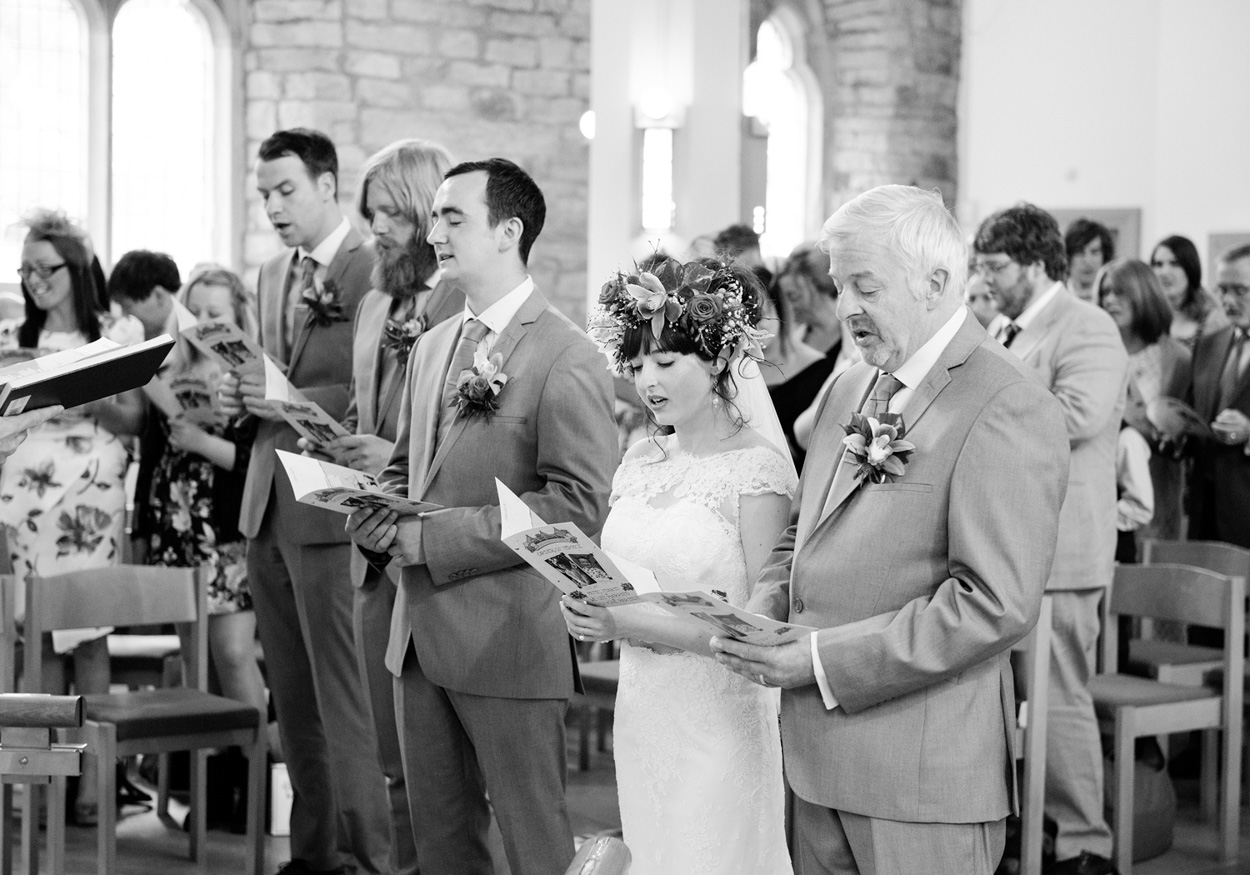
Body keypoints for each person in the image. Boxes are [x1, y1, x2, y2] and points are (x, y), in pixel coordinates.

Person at [710, 185, 1070, 875]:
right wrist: (766, 602)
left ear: (935, 281)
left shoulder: (1006, 402)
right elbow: (801, 528)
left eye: (864, 285)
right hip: (815, 762)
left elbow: (992, 603)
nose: (845, 307)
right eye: (840, 283)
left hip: (920, 778)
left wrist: (820, 660)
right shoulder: (850, 387)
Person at [345, 157, 617, 875]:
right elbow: (409, 467)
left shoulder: (567, 355)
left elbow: (577, 505)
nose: (434, 231)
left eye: (453, 217)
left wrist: (430, 537)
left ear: (508, 230)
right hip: (417, 633)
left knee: (534, 846)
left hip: (506, 637)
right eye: (434, 216)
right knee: (441, 847)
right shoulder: (435, 345)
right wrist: (374, 516)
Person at [564, 255, 796, 875]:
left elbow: (760, 631)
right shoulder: (640, 458)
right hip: (644, 710)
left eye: (666, 363)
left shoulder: (759, 473)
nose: (648, 382)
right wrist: (587, 598)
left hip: (719, 716)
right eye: (637, 365)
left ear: (720, 359)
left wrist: (625, 625)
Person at [219, 127, 389, 875]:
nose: (274, 206)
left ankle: (368, 855)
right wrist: (242, 392)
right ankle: (313, 852)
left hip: (327, 508)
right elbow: (269, 379)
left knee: (342, 698)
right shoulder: (266, 276)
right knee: (292, 697)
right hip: (267, 503)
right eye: (264, 194)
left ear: (326, 183)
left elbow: (373, 393)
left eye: (286, 190)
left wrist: (283, 397)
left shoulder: (372, 270)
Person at [317, 138, 464, 875]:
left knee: (447, 774)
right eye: (370, 212)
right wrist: (344, 439)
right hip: (370, 548)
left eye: (390, 216)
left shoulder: (464, 304)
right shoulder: (375, 303)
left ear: (427, 215)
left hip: (437, 556)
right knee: (390, 754)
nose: (374, 228)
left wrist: (395, 458)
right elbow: (361, 403)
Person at [975, 203, 1128, 875]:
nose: (985, 276)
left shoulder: (1087, 326)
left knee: (1059, 694)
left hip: (1064, 548)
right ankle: (1028, 820)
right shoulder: (1004, 329)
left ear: (1037, 264)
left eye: (996, 265)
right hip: (1009, 543)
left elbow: (1078, 415)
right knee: (1007, 699)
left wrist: (982, 412)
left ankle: (1082, 841)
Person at [0, 208, 146, 825]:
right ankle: (42, 785)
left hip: (90, 494)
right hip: (25, 498)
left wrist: (81, 390)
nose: (34, 280)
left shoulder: (117, 331)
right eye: (25, 269)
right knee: (37, 638)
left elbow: (136, 420)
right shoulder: (12, 340)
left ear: (77, 266)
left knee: (88, 633)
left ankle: (94, 787)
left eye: (45, 267)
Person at [143, 267, 268, 762]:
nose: (203, 323)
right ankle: (210, 780)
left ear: (239, 316)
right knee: (197, 660)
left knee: (234, 654)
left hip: (226, 524)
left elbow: (255, 464)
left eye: (215, 314)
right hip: (178, 522)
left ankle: (255, 775)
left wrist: (200, 440)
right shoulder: (174, 362)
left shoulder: (254, 374)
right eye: (196, 313)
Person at [1095, 258, 1191, 543]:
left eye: (1120, 291)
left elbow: (1189, 427)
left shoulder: (1177, 358)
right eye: (1105, 292)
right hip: (1103, 488)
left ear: (1143, 294)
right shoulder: (1094, 352)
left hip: (1160, 487)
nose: (1110, 300)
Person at [1185, 243, 1250, 549]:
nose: (1228, 301)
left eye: (1240, 290)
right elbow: (1193, 413)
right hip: (1204, 511)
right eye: (1222, 290)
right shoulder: (1208, 344)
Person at [759, 271, 830, 469]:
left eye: (762, 313)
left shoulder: (818, 368)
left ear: (777, 308)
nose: (755, 323)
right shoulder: (734, 372)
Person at [1150, 235, 1227, 349]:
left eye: (1175, 263)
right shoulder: (1147, 313)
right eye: (1158, 264)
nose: (1164, 272)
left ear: (1190, 268)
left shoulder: (1211, 318)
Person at [1064, 218, 1114, 302]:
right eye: (1079, 252)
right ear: (1068, 257)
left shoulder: (1112, 300)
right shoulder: (1055, 299)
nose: (1087, 261)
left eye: (1094, 252)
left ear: (1104, 256)